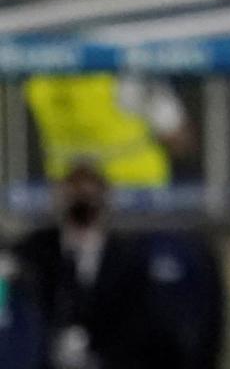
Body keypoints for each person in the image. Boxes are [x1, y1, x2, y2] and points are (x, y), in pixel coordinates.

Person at [13, 162, 151, 369]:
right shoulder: (33, 251)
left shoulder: (127, 257)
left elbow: (136, 327)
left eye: (89, 204)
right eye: (75, 203)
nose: (82, 212)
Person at [25, 74, 194, 188]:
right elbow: (177, 138)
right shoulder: (124, 73)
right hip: (139, 191)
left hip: (69, 198)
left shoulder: (36, 77)